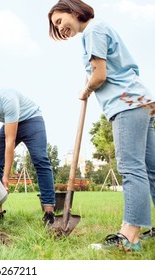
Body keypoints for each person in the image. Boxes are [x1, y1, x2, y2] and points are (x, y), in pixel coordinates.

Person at [48, 0, 155, 251]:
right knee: (150, 169)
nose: (60, 28)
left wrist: (85, 90)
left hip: (126, 103)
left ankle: (129, 237)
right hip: (142, 101)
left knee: (131, 168)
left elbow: (100, 75)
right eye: (56, 26)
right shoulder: (99, 29)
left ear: (73, 11)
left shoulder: (94, 31)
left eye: (60, 21)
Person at [0, 76, 56, 225]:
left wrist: (6, 176)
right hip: (10, 123)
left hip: (31, 120)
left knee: (40, 159)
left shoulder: (7, 99)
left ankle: (49, 212)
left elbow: (10, 141)